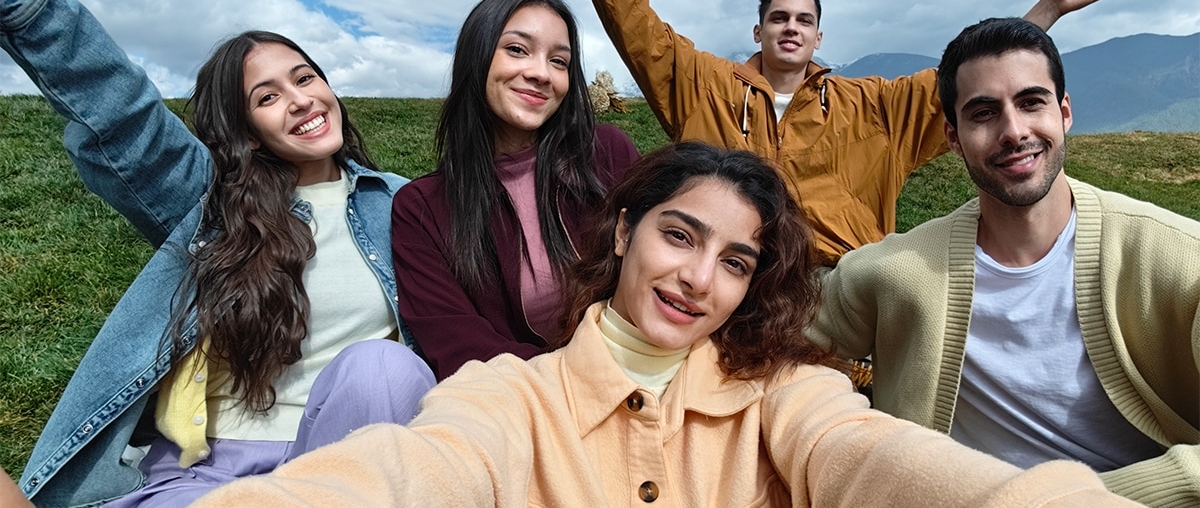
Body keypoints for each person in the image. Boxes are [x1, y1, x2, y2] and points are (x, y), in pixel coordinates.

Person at [193, 142, 1137, 507]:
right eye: (679, 235)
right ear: (623, 230)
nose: (696, 278)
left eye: (735, 261)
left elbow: (875, 458)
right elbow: (410, 472)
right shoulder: (508, 396)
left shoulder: (785, 394)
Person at [537, 0, 1155, 266]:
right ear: (758, 32)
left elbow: (971, 75)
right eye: (778, 18)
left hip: (842, 292)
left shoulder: (872, 106)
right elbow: (640, 30)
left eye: (804, 20)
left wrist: (1050, 7)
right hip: (735, 285)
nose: (791, 28)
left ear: (819, 36)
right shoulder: (707, 87)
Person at [0, 0, 434, 506]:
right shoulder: (212, 202)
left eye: (305, 78)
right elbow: (119, 110)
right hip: (207, 473)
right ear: (246, 132)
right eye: (267, 97)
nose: (300, 100)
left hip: (343, 457)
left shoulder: (404, 203)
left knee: (385, 368)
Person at [809, 17, 1199, 507]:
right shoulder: (896, 272)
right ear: (953, 138)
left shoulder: (1181, 261)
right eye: (984, 113)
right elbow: (768, 344)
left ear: (1065, 112)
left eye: (1031, 103)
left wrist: (1054, 502)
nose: (1013, 131)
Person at [391, 0, 639, 380]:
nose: (541, 73)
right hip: (520, 397)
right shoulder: (422, 208)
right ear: (477, 56)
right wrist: (571, 382)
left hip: (642, 374)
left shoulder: (608, 153)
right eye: (517, 50)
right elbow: (457, 343)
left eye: (559, 61)